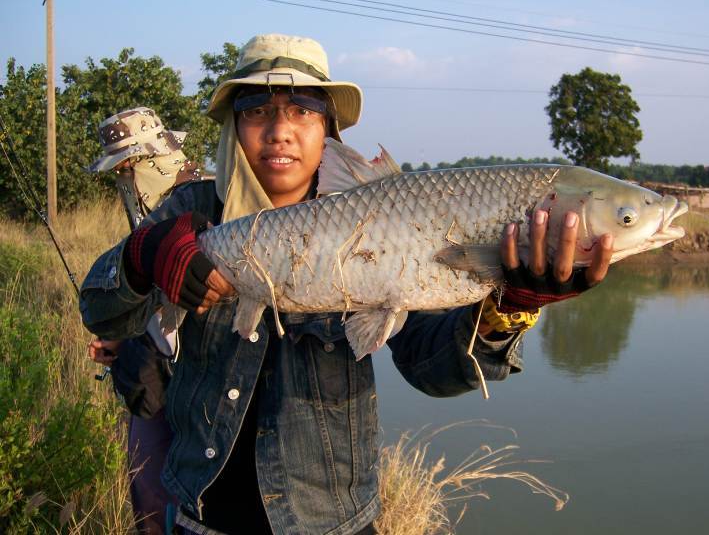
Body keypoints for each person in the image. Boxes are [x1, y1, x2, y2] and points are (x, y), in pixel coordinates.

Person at [80, 34, 613, 535]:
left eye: (303, 110)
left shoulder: (389, 216)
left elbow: (432, 370)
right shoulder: (192, 213)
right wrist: (142, 257)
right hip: (203, 513)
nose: (280, 130)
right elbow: (99, 309)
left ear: (327, 128)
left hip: (333, 520)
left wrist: (509, 309)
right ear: (234, 128)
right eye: (258, 111)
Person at [85, 107, 200, 534]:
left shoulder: (202, 205)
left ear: (143, 162)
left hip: (192, 398)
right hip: (159, 385)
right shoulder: (158, 210)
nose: (122, 182)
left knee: (169, 509)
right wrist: (125, 340)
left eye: (124, 169)